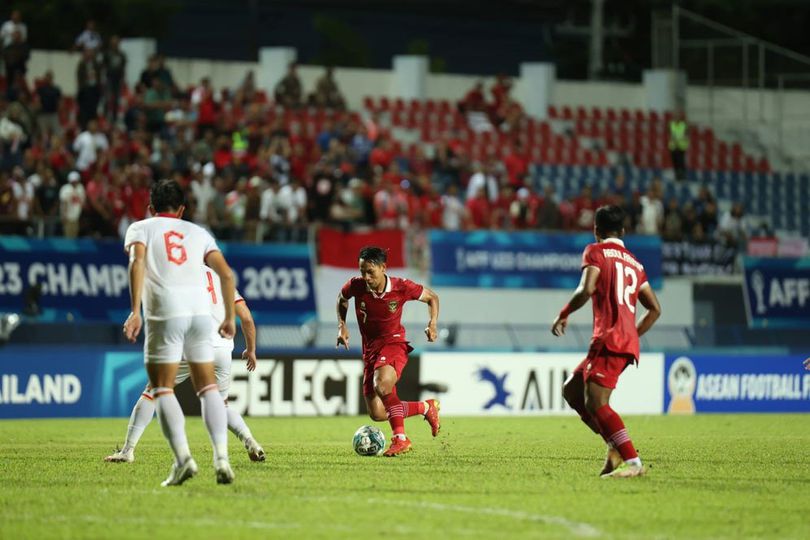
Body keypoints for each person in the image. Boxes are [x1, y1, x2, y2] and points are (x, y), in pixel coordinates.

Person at [122, 179, 237, 486]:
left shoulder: (141, 228)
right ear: (183, 209)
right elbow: (226, 273)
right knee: (208, 388)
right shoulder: (199, 233)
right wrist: (229, 317)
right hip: (201, 316)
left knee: (161, 388)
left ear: (151, 208)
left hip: (165, 313)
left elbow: (137, 261)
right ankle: (222, 459)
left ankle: (184, 459)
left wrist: (135, 310)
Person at [106, 266, 265, 464]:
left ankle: (128, 450)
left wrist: (136, 314)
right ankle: (250, 441)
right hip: (222, 349)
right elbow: (247, 318)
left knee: (153, 392)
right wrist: (250, 350)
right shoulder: (221, 278)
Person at [552, 205, 661, 478]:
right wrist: (632, 334)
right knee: (572, 390)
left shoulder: (595, 251)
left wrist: (564, 313)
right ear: (623, 231)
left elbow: (586, 289)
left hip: (609, 339)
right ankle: (614, 446)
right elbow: (655, 308)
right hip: (624, 341)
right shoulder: (636, 264)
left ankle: (632, 462)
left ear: (596, 230)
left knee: (597, 402)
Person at [336, 246, 441, 456]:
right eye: (362, 271)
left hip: (393, 343)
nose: (365, 277)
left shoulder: (401, 287)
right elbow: (342, 298)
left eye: (370, 272)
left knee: (382, 384)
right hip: (370, 350)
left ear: (383, 268)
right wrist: (342, 325)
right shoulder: (356, 286)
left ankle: (400, 439)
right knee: (377, 412)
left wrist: (433, 323)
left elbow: (432, 297)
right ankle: (426, 408)